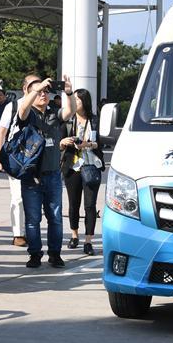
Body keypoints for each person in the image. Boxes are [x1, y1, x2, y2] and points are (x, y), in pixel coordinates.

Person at [17, 75, 75, 268]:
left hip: (52, 175)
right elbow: (22, 109)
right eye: (39, 91)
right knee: (33, 220)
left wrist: (68, 92)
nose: (43, 94)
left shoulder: (53, 113)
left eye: (45, 91)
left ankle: (55, 254)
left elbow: (71, 110)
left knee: (55, 218)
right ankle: (34, 254)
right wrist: (36, 88)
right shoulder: (27, 113)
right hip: (31, 177)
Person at [0, 75, 39, 248]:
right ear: (24, 88)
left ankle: (31, 230)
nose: (38, 91)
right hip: (17, 158)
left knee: (35, 196)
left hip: (37, 158)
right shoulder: (13, 106)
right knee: (18, 197)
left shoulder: (43, 107)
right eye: (33, 86)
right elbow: (1, 133)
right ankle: (18, 234)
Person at [60, 88, 105, 255]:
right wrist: (63, 142)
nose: (74, 103)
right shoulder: (67, 119)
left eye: (77, 100)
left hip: (91, 165)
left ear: (84, 102)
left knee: (90, 205)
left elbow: (99, 143)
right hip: (72, 166)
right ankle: (74, 235)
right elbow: (59, 142)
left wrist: (87, 144)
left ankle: (88, 241)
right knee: (73, 204)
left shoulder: (94, 120)